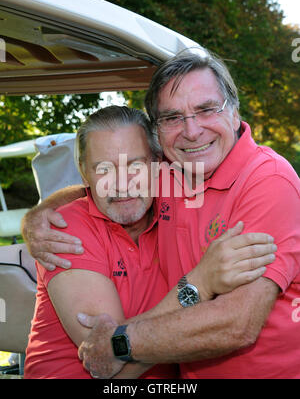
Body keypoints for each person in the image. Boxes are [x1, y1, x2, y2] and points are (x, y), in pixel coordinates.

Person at [22, 49, 300, 379]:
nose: (192, 131)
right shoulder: (175, 170)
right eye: (171, 118)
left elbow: (238, 323)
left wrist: (118, 343)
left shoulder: (266, 182)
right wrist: (40, 213)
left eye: (206, 109)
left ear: (234, 110)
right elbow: (114, 182)